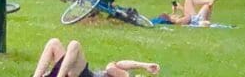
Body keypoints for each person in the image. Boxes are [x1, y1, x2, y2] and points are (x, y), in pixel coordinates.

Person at [29, 38, 157, 77]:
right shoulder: (124, 73)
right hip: (75, 73)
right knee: (54, 43)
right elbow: (116, 64)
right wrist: (144, 65)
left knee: (75, 45)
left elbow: (111, 68)